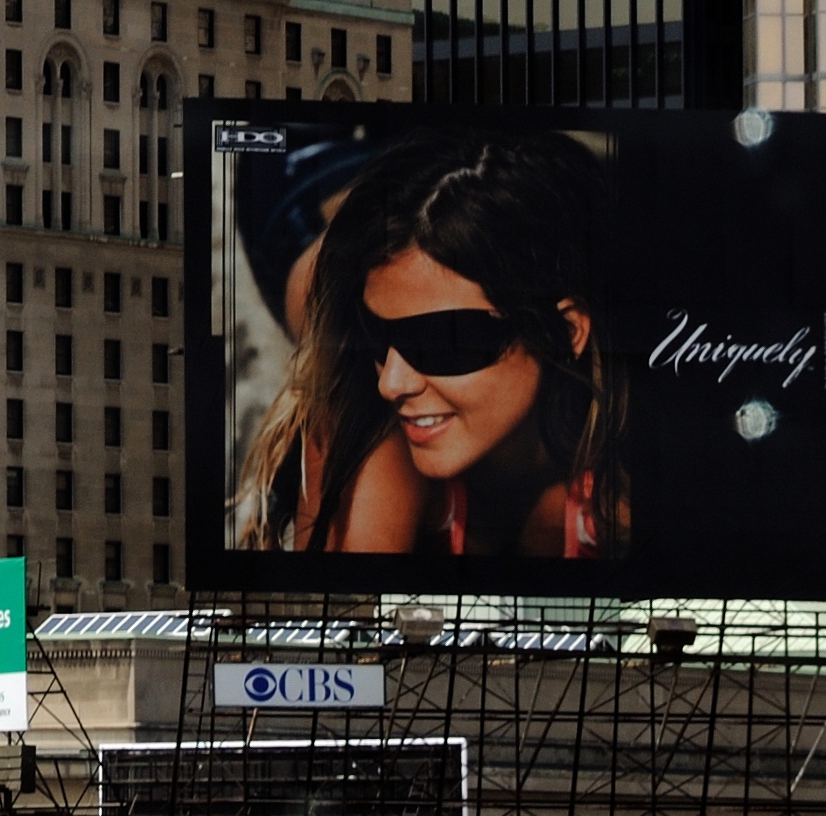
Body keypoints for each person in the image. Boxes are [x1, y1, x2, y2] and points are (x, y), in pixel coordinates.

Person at [233, 128, 627, 559]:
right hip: (302, 196)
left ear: (567, 331)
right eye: (373, 332)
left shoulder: (626, 478)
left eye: (443, 341)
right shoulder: (373, 424)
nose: (392, 384)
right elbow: (344, 614)